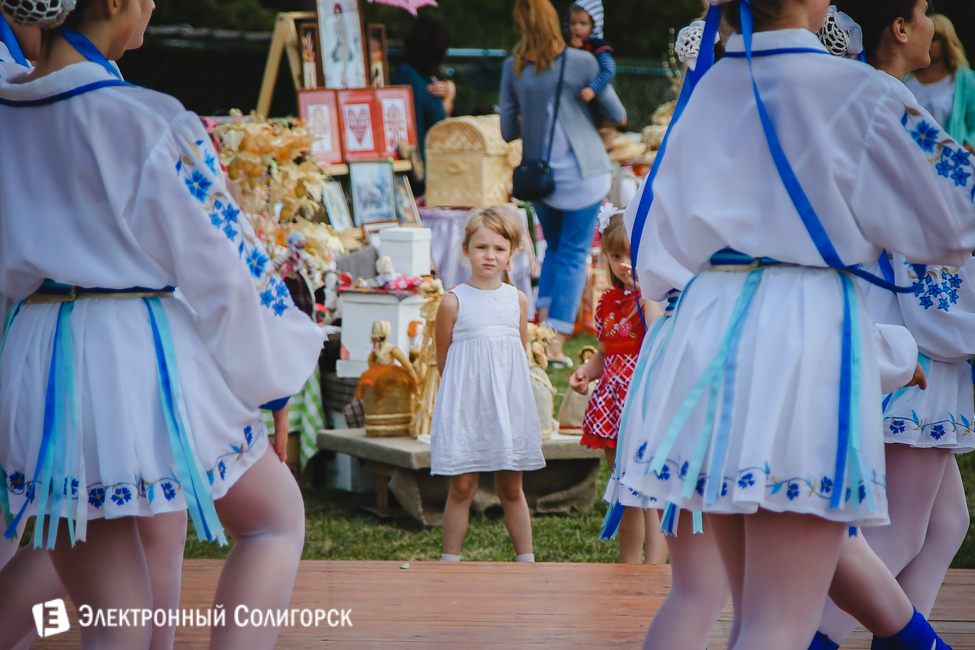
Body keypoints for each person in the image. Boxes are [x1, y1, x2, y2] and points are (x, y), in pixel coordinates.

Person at [615, 0, 975, 649]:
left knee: (750, 609)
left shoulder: (710, 88)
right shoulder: (855, 90)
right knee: (777, 622)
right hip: (799, 332)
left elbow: (658, 235)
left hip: (708, 323)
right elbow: (953, 221)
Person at [0, 0, 324, 649]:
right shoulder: (143, 119)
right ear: (115, 3)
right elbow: (226, 269)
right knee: (273, 520)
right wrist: (273, 371)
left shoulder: (9, 112)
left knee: (114, 615)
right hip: (131, 348)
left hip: (34, 353)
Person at [802, 4, 975, 648]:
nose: (936, 24)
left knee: (942, 524)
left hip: (886, 320)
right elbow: (955, 205)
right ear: (899, 28)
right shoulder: (887, 101)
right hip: (909, 334)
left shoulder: (858, 98)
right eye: (927, 12)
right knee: (902, 524)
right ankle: (811, 637)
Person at [500, 0, 626, 367]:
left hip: (540, 176)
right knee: (572, 252)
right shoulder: (583, 62)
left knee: (554, 248)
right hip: (584, 174)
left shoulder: (514, 67)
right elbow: (617, 114)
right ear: (555, 23)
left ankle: (540, 331)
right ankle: (553, 344)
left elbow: (508, 129)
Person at [431, 206, 545, 563]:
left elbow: (518, 356)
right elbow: (444, 360)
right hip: (467, 406)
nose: (490, 256)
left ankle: (526, 560)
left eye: (499, 248)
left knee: (511, 487)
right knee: (462, 485)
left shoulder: (517, 301)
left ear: (512, 254)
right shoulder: (453, 302)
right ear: (466, 249)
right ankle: (450, 562)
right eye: (481, 247)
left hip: (507, 407)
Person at [568, 209, 667, 565]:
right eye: (616, 256)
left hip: (643, 404)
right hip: (612, 405)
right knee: (623, 490)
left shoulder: (655, 301)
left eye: (635, 255)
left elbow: (657, 337)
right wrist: (587, 371)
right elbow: (607, 351)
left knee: (651, 495)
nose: (626, 265)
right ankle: (628, 567)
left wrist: (650, 296)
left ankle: (653, 570)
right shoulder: (608, 302)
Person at [906, 14, 975, 153]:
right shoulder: (907, 76)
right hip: (911, 157)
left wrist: (968, 147)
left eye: (934, 39)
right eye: (925, 36)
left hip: (949, 161)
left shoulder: (964, 78)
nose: (928, 43)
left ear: (947, 42)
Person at [391, 15, 454, 164]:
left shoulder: (427, 75)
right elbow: (429, 125)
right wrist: (449, 98)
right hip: (422, 166)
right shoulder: (409, 75)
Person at [566, 0, 615, 104]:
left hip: (599, 92)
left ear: (593, 25)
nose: (577, 28)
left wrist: (593, 89)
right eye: (573, 23)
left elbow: (609, 70)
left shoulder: (599, 47)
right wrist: (573, 49)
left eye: (583, 23)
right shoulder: (569, 45)